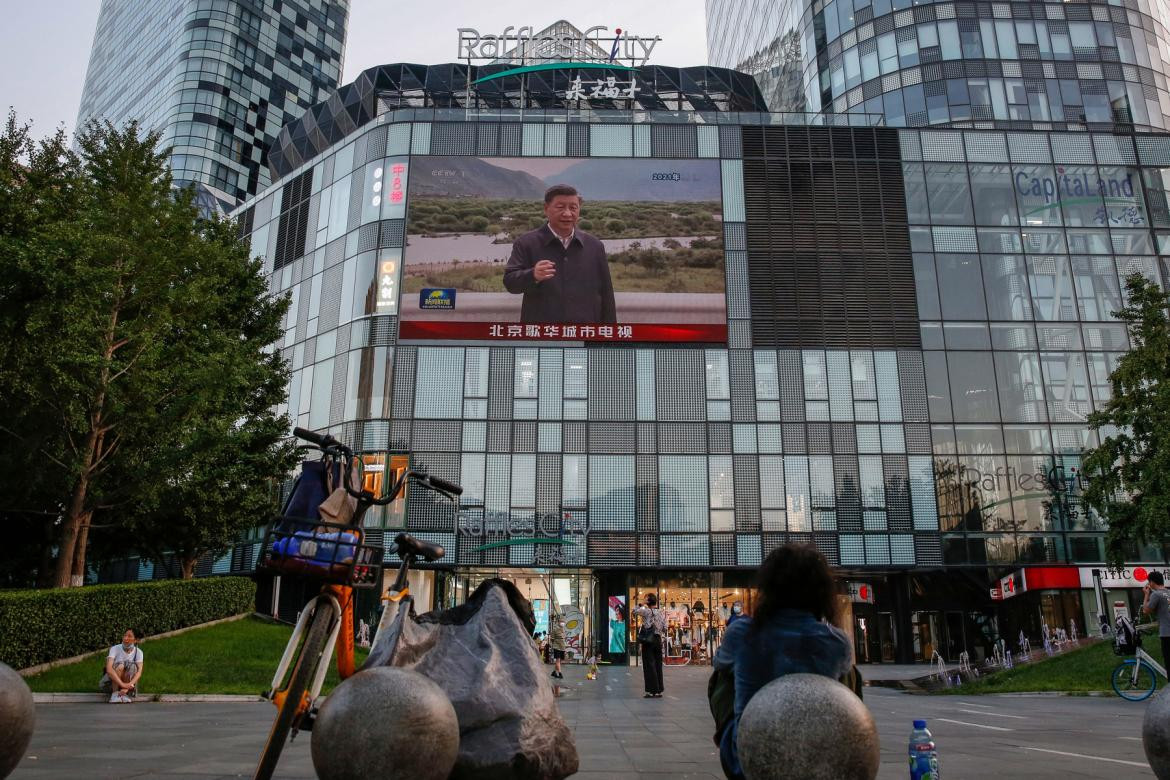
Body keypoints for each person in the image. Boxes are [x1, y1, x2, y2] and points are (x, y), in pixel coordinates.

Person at [713, 545, 853, 780]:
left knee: (721, 675)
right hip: (820, 757)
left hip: (747, 757)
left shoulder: (742, 632)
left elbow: (719, 664)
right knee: (850, 674)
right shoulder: (836, 641)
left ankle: (734, 732)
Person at [503, 184, 617, 325]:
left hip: (585, 332)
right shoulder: (526, 243)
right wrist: (532, 275)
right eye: (560, 207)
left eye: (573, 208)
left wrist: (611, 333)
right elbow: (510, 283)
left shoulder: (594, 246)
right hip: (542, 334)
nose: (568, 213)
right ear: (546, 208)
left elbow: (607, 294)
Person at [634, 594, 666, 698]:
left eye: (646, 598)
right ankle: (658, 690)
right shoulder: (661, 612)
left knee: (649, 665)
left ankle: (651, 690)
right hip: (658, 639)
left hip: (648, 640)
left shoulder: (647, 611)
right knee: (658, 664)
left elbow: (634, 611)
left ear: (648, 601)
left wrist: (641, 604)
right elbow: (665, 626)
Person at [100, 629, 144, 703]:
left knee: (133, 666)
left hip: (128, 687)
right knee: (120, 665)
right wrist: (123, 685)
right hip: (109, 685)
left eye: (129, 636)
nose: (126, 638)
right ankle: (114, 694)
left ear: (136, 640)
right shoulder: (115, 649)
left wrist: (128, 686)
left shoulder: (139, 652)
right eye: (125, 635)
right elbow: (109, 670)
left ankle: (124, 695)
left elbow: (139, 672)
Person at [1143, 570, 1170, 672]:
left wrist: (1146, 594)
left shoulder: (1156, 594)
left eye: (1149, 582)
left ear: (1152, 582)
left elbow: (1146, 611)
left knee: (1168, 661)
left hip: (1166, 633)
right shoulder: (1168, 593)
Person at [548, 611, 567, 679]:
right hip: (557, 647)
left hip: (562, 647)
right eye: (562, 621)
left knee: (559, 661)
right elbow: (552, 638)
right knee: (558, 660)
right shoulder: (555, 629)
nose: (563, 623)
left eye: (563, 622)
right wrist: (553, 645)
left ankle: (554, 672)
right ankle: (560, 673)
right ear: (558, 622)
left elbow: (563, 639)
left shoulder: (563, 629)